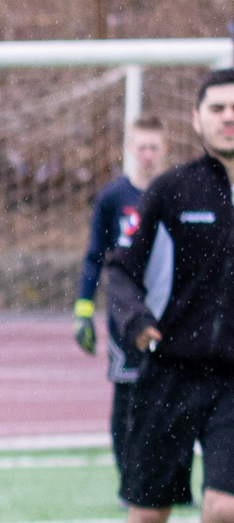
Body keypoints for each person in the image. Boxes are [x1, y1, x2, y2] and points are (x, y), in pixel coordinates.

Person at [97, 70, 234, 523]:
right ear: (199, 118)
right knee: (148, 514)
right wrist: (140, 327)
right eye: (219, 108)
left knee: (226, 510)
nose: (230, 117)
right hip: (170, 374)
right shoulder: (174, 191)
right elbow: (119, 271)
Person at [79, 116, 168, 489]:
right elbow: (95, 255)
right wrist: (83, 309)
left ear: (166, 149)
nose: (148, 155)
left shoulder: (177, 193)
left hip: (173, 316)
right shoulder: (114, 198)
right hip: (126, 317)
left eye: (154, 147)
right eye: (141, 146)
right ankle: (127, 482)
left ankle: (174, 483)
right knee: (128, 396)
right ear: (130, 148)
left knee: (173, 399)